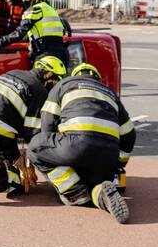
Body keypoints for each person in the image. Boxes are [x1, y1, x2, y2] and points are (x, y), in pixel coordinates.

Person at [26, 63, 135, 223]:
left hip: (76, 146)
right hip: (107, 157)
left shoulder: (64, 84)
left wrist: (56, 153)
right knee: (93, 182)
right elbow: (130, 135)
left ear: (75, 74)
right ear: (97, 78)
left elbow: (47, 125)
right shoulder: (110, 94)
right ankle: (100, 196)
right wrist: (119, 165)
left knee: (35, 146)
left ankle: (75, 193)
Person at [0, 55, 67, 203]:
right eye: (55, 82)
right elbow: (32, 132)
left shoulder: (14, 72)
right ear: (49, 75)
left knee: (2, 152)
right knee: (16, 181)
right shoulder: (38, 90)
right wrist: (28, 160)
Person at [0, 0, 68, 64]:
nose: (24, 1)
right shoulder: (50, 8)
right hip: (60, 51)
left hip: (45, 52)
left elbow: (19, 32)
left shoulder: (34, 10)